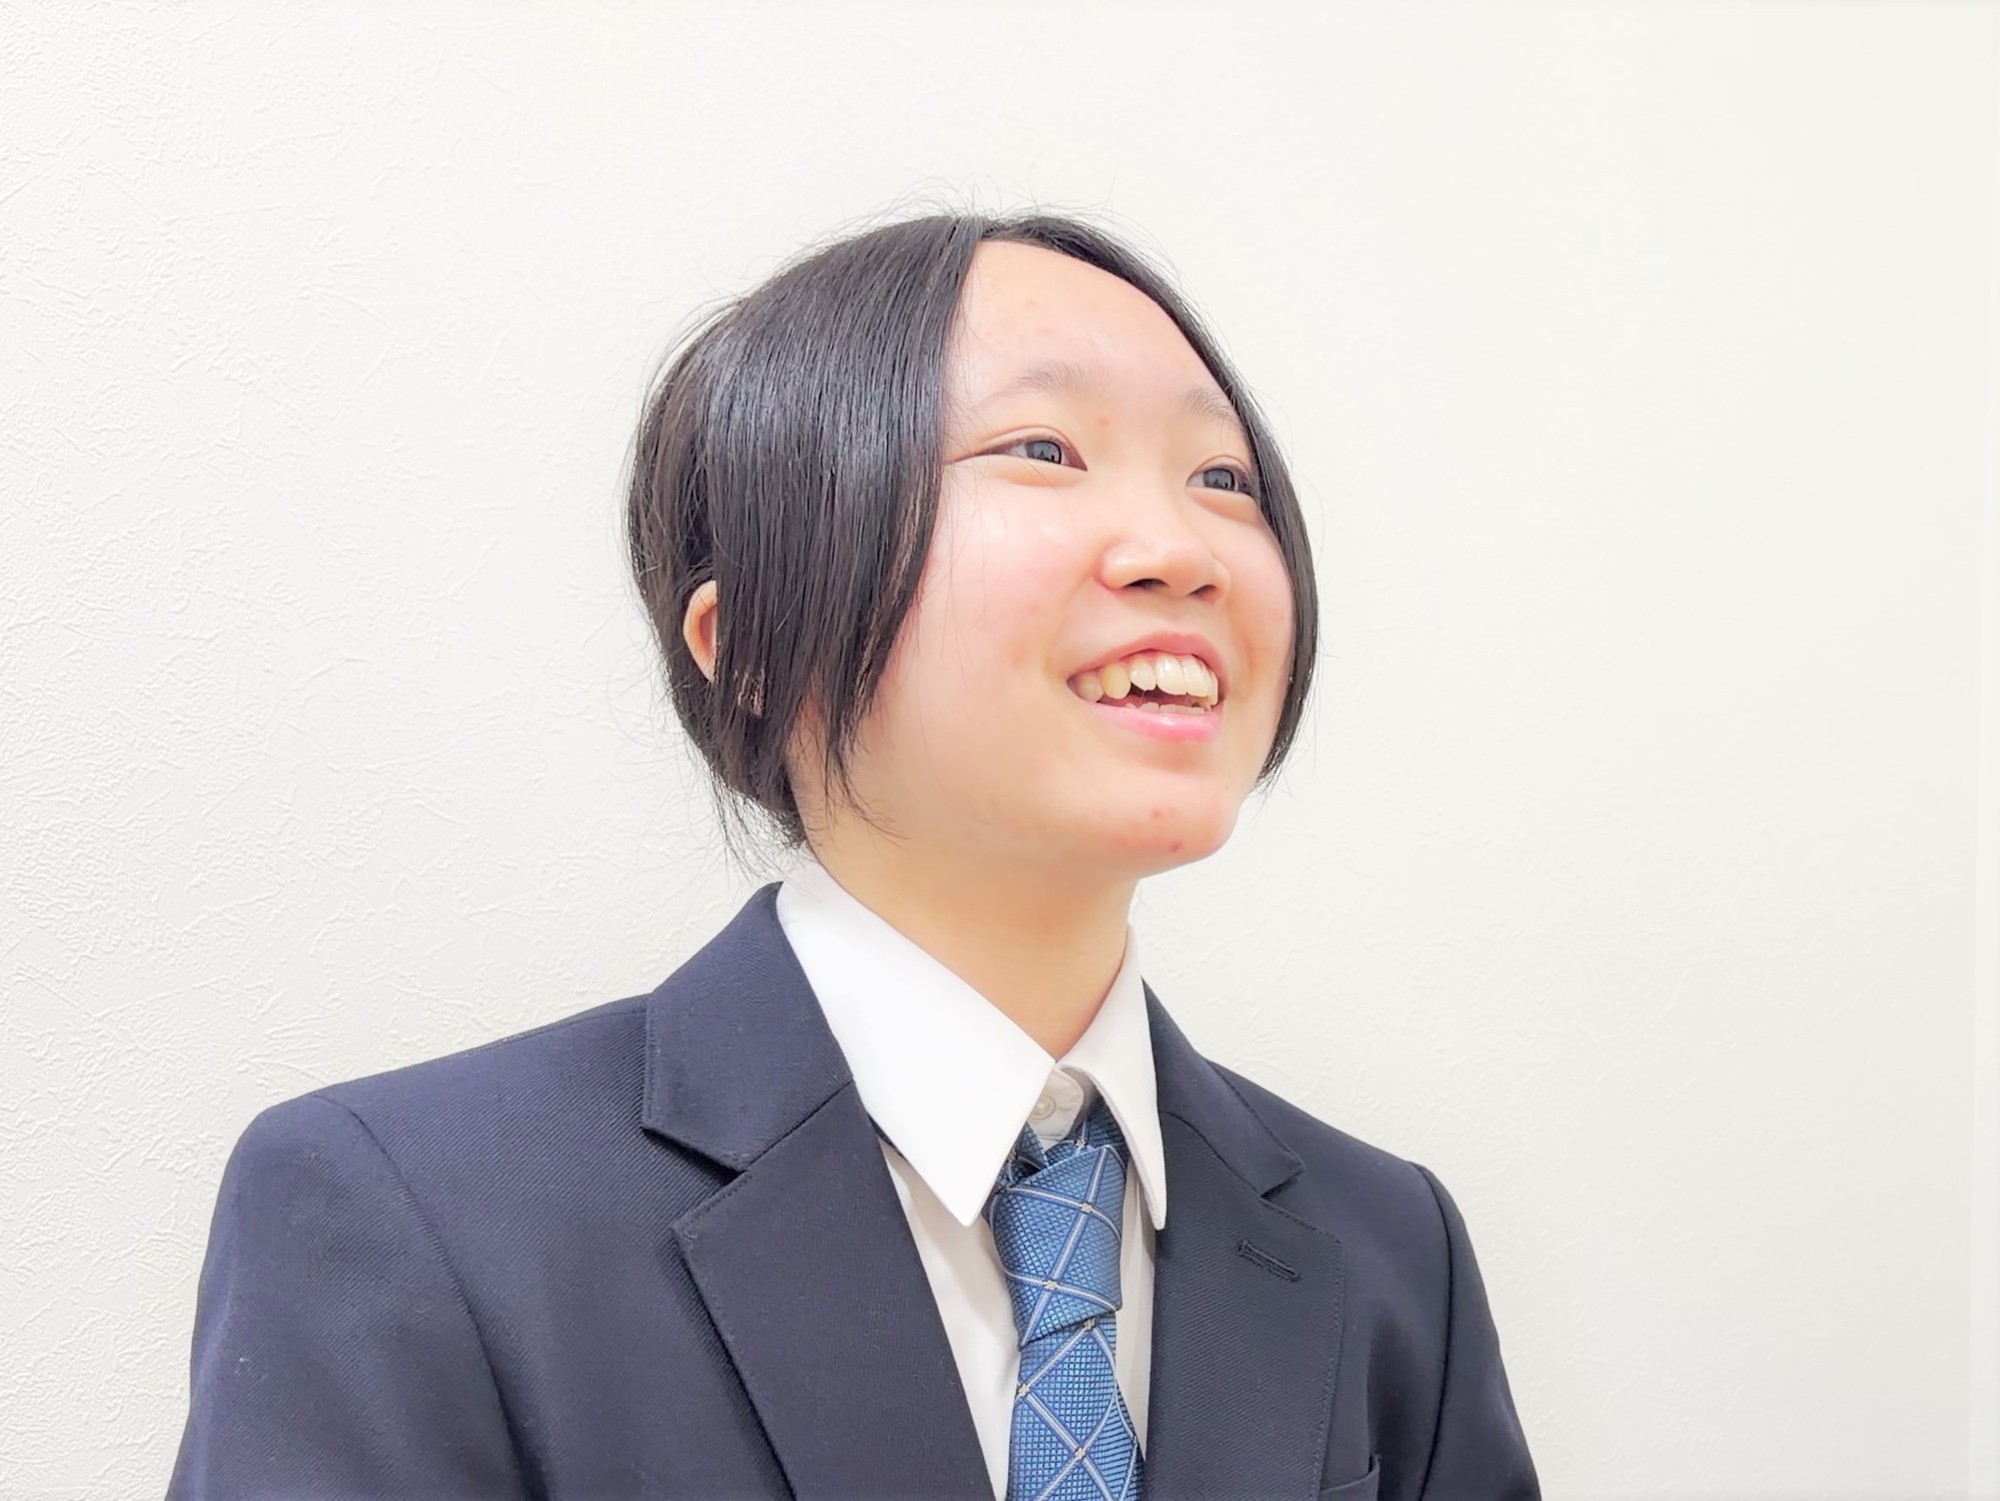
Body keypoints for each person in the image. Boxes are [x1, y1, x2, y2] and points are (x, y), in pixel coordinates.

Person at [168, 209, 1539, 1500]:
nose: (1180, 550)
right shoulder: (411, 1210)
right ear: (755, 640)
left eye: (1223, 479)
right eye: (1044, 450)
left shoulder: (1389, 1249)